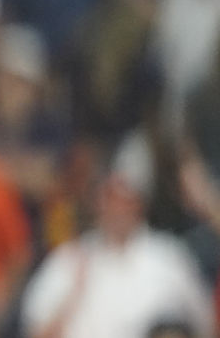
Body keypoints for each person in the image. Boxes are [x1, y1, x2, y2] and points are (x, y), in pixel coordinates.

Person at [19, 130, 215, 338]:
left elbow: (206, 325)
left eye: (124, 199)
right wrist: (73, 295)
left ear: (138, 203)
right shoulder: (69, 260)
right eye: (109, 198)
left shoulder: (169, 257)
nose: (116, 209)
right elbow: (35, 331)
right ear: (98, 203)